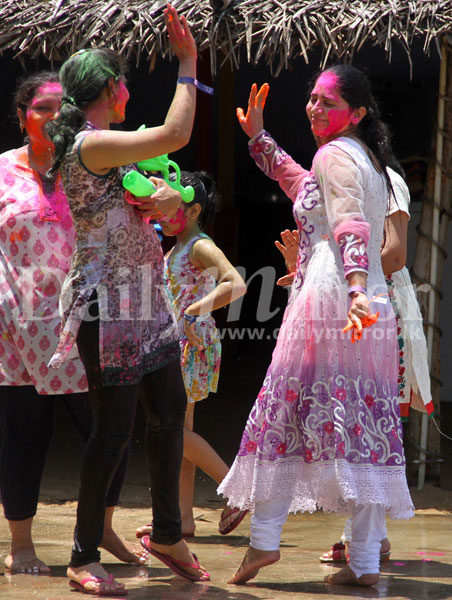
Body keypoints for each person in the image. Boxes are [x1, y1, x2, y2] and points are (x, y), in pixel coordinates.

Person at [218, 66, 414, 587]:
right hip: (368, 300)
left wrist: (349, 289)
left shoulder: (336, 155)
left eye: (327, 102)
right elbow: (303, 186)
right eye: (312, 99)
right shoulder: (368, 161)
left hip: (338, 294)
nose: (314, 108)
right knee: (365, 422)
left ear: (358, 112)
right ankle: (366, 563)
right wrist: (259, 140)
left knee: (289, 409)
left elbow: (350, 222)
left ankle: (263, 543)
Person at [46, 5, 209, 594]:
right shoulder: (89, 145)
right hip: (105, 305)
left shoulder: (109, 149)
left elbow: (161, 189)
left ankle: (167, 531)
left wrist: (168, 198)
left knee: (168, 417)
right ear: (114, 91)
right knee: (113, 433)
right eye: (125, 83)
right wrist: (188, 64)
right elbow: (175, 135)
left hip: (144, 299)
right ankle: (82, 554)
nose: (129, 91)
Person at [0, 71, 142, 575]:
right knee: (23, 437)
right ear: (22, 117)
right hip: (16, 330)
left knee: (112, 431)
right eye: (41, 107)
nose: (53, 116)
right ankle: (20, 544)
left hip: (88, 320)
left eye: (61, 107)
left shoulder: (90, 164)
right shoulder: (1, 173)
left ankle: (102, 528)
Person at [319, 166, 433, 565]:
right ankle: (370, 535)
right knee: (352, 420)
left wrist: (338, 280)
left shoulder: (386, 179)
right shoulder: (336, 175)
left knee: (368, 420)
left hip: (374, 306)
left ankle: (364, 535)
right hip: (353, 303)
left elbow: (396, 254)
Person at [135, 171, 247, 539]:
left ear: (194, 209)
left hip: (191, 344)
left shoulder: (199, 246)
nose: (161, 214)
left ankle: (236, 488)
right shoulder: (176, 249)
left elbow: (236, 283)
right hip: (179, 344)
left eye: (169, 207)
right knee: (180, 434)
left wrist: (193, 310)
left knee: (174, 433)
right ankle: (181, 519)